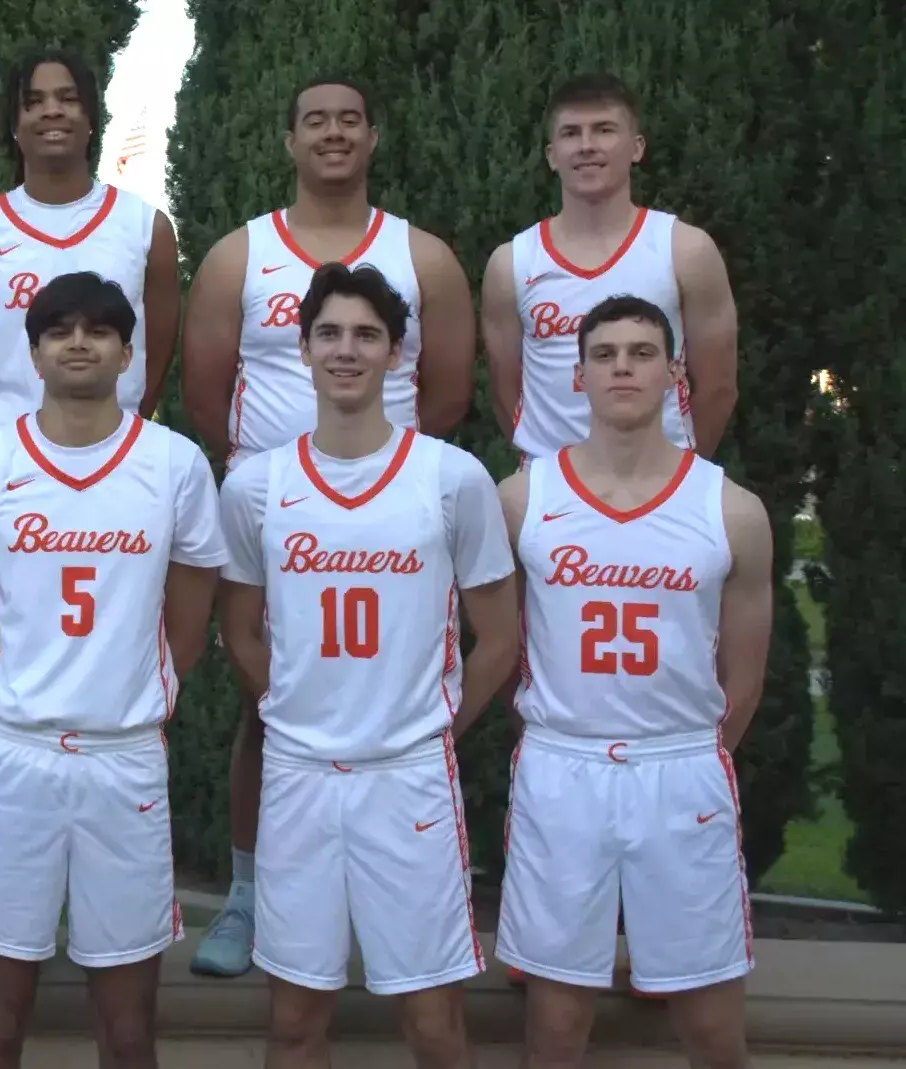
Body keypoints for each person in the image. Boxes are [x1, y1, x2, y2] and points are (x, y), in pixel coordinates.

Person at [180, 77, 478, 978]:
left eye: (350, 119)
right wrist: (276, 478)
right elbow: (205, 390)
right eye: (316, 120)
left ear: (373, 135)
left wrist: (371, 470)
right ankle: (248, 893)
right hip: (282, 514)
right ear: (290, 139)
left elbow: (448, 392)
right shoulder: (240, 256)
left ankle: (396, 905)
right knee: (265, 706)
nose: (334, 133)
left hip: (387, 510)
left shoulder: (422, 257)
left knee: (393, 695)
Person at [215, 263, 519, 1068]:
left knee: (432, 1022)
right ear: (303, 349)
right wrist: (292, 708)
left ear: (395, 353)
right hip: (299, 776)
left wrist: (434, 727)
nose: (346, 350)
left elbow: (500, 638)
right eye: (329, 333)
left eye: (366, 335)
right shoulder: (255, 487)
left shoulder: (452, 478)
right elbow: (239, 630)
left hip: (407, 777)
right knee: (294, 1021)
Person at [0, 271, 227, 1069]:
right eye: (59, 330)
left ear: (128, 353)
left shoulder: (173, 464)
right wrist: (14, 669)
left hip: (123, 756)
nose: (78, 343)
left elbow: (193, 595)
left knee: (129, 1028)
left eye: (99, 330)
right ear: (33, 353)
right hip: (17, 753)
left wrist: (148, 679)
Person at [495, 295, 771, 1069]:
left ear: (675, 373)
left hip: (680, 768)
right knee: (555, 1029)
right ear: (577, 375)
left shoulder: (732, 510)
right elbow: (502, 647)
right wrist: (549, 735)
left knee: (713, 1031)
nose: (623, 367)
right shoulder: (521, 500)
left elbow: (744, 679)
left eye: (642, 353)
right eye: (605, 353)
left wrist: (690, 755)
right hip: (562, 767)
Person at [481, 73, 738, 463]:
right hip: (549, 480)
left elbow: (718, 386)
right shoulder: (512, 262)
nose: (586, 146)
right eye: (571, 133)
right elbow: (505, 391)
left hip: (662, 479)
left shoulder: (684, 249)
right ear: (552, 155)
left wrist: (679, 471)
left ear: (637, 147)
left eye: (604, 130)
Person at [0, 47, 178, 436]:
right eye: (33, 102)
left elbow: (156, 354)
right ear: (14, 124)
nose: (52, 110)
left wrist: (128, 427)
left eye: (68, 99)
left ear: (91, 120)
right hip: (9, 448)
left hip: (118, 447)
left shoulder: (147, 228)